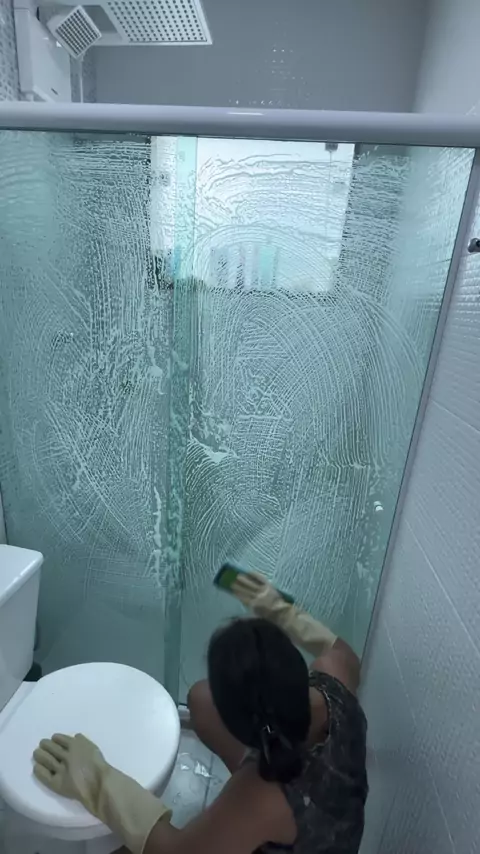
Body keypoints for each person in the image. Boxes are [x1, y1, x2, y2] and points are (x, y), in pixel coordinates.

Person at [33, 571, 368, 854]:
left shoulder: (262, 795)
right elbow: (340, 650)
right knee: (200, 700)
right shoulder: (334, 685)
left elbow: (177, 851)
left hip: (293, 822)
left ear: (242, 725)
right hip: (323, 816)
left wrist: (97, 781)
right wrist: (279, 608)